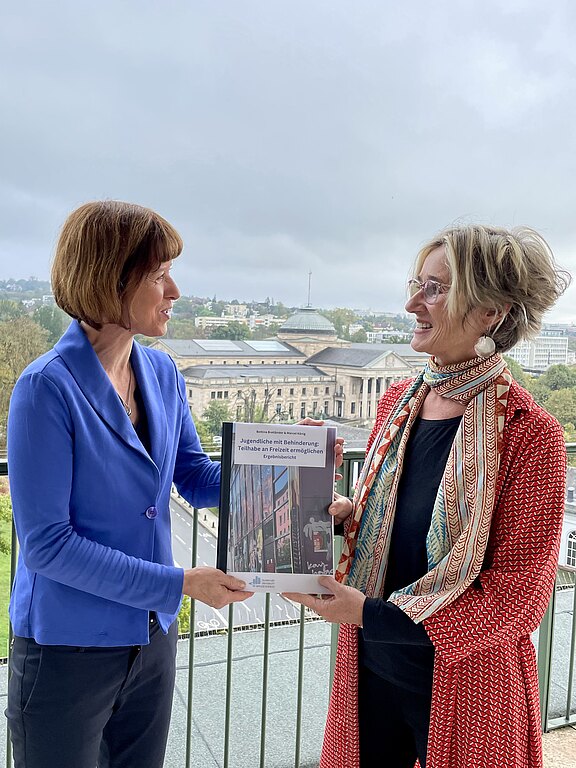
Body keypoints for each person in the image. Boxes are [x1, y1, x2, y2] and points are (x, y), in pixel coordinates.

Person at [285, 224, 570, 768]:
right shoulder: (398, 401)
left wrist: (371, 615)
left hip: (467, 684)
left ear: (492, 312)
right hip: (370, 670)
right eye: (417, 283)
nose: (413, 301)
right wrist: (347, 517)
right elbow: (398, 523)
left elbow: (520, 599)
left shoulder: (529, 433)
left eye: (437, 288)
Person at [6, 201, 254, 768]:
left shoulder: (162, 373)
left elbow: (194, 477)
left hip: (151, 644)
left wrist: (293, 469)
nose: (175, 291)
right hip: (66, 653)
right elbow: (47, 545)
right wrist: (179, 584)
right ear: (110, 278)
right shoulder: (45, 389)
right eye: (160, 274)